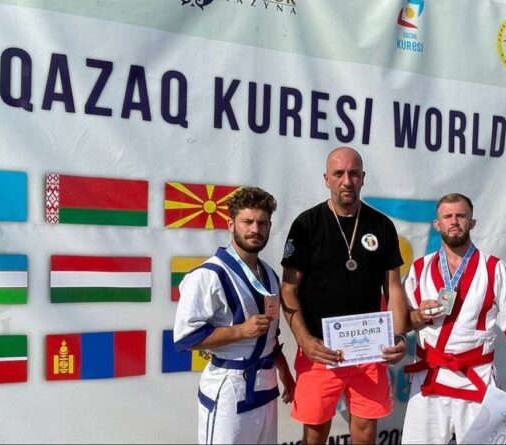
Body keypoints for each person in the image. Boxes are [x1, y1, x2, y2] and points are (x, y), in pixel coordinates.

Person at [280, 146, 408, 444]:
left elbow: (393, 288)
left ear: (363, 177)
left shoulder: (382, 225)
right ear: (326, 179)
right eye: (338, 174)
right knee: (315, 432)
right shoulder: (306, 224)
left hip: (369, 350)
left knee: (365, 431)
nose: (347, 181)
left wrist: (399, 336)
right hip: (320, 349)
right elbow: (288, 288)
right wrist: (304, 339)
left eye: (353, 173)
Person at [401, 193, 506, 444]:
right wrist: (418, 315)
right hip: (428, 380)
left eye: (461, 216)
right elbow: (401, 323)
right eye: (447, 216)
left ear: (472, 222)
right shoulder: (419, 269)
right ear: (437, 224)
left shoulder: (494, 268)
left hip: (477, 378)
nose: (454, 221)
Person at [173, 186, 295, 444]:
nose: (255, 229)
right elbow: (186, 337)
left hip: (266, 385)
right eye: (247, 222)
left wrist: (285, 372)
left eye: (262, 223)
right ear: (231, 225)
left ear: (270, 226)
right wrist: (240, 331)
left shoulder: (270, 274)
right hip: (229, 387)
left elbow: (271, 337)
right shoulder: (208, 275)